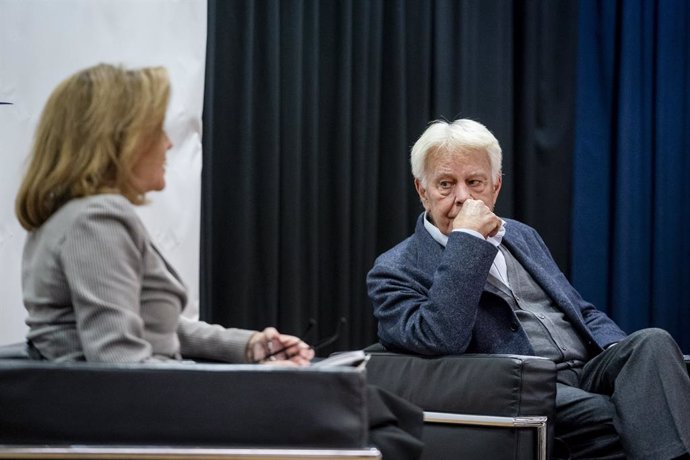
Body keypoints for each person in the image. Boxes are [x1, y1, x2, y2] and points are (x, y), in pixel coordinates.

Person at [16, 63, 423, 459]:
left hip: (143, 405)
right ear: (119, 139)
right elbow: (123, 367)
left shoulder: (71, 216)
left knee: (377, 407)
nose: (168, 143)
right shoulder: (97, 219)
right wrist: (241, 380)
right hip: (146, 418)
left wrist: (247, 348)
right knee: (383, 422)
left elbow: (143, 326)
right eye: (157, 130)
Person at [367, 118, 690, 459]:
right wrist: (468, 242)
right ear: (422, 190)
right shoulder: (394, 269)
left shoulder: (521, 235)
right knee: (625, 417)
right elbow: (440, 337)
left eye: (474, 182)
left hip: (585, 369)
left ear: (496, 186)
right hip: (524, 384)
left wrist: (622, 365)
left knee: (653, 343)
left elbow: (578, 310)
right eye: (446, 184)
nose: (462, 197)